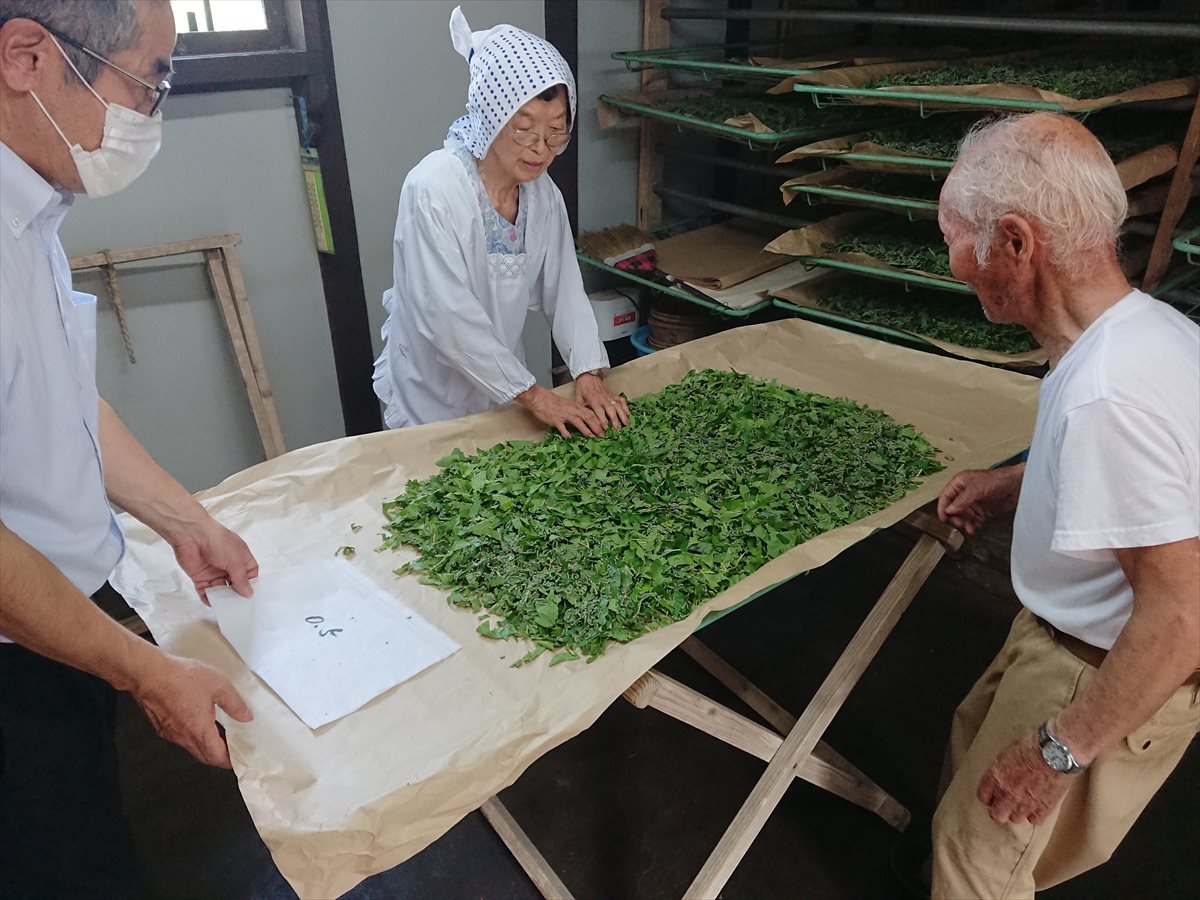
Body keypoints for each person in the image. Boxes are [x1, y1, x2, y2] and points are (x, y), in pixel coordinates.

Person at [0, 2, 258, 895]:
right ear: (28, 58)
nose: (154, 109)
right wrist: (144, 670)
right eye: (151, 78)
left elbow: (63, 405)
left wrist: (185, 520)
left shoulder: (32, 204)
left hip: (59, 628)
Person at [930, 112, 1199, 898]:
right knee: (966, 747)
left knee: (976, 857)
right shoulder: (1141, 333)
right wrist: (1018, 485)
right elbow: (1160, 497)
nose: (952, 261)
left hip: (1097, 668)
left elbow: (1180, 618)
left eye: (955, 236)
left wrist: (1060, 751)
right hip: (1057, 634)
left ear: (1014, 242)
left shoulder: (1108, 397)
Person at [371, 6, 630, 439]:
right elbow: (445, 317)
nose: (540, 148)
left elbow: (564, 289)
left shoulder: (543, 196)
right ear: (491, 116)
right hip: (430, 393)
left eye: (555, 132)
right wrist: (537, 396)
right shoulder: (434, 188)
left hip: (501, 383)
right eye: (524, 129)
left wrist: (587, 372)